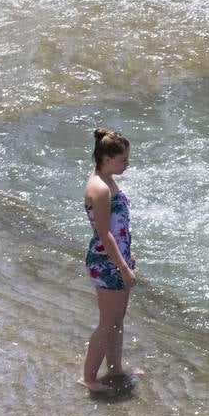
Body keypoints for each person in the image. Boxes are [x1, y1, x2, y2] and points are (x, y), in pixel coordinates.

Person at [80, 128, 139, 394]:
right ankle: (89, 378)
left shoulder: (106, 179)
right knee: (107, 323)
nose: (127, 164)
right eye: (123, 160)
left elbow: (118, 227)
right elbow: (104, 234)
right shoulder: (100, 188)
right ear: (106, 158)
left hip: (116, 258)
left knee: (118, 321)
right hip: (106, 263)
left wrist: (128, 253)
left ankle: (115, 368)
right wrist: (123, 267)